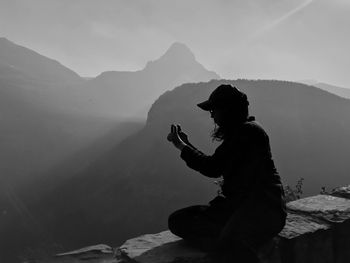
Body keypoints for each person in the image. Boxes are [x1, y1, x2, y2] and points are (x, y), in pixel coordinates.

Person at [167, 84, 287, 263]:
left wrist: (181, 146)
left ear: (228, 111)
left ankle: (226, 242)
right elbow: (215, 163)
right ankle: (225, 238)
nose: (212, 115)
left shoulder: (248, 133)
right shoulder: (244, 131)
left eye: (214, 110)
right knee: (178, 220)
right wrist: (186, 144)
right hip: (238, 207)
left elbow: (212, 167)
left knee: (229, 249)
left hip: (261, 210)